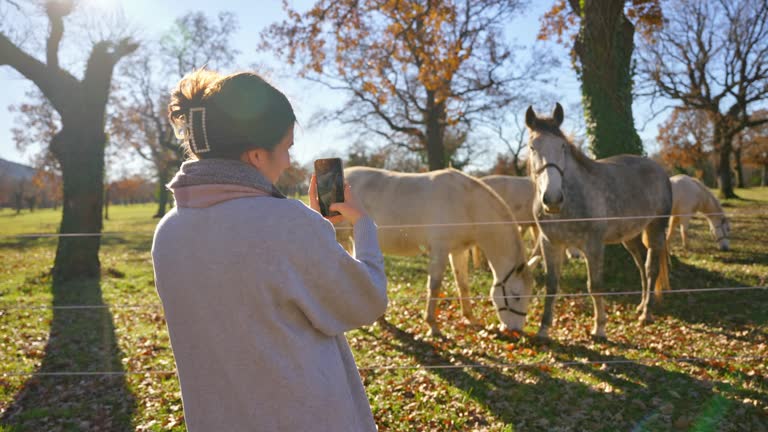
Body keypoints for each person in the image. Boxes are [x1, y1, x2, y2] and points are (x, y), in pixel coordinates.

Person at [151, 68, 388, 431]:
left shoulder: (168, 231)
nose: (290, 161)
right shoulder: (287, 223)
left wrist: (311, 231)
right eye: (287, 148)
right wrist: (362, 225)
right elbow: (366, 301)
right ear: (257, 155)